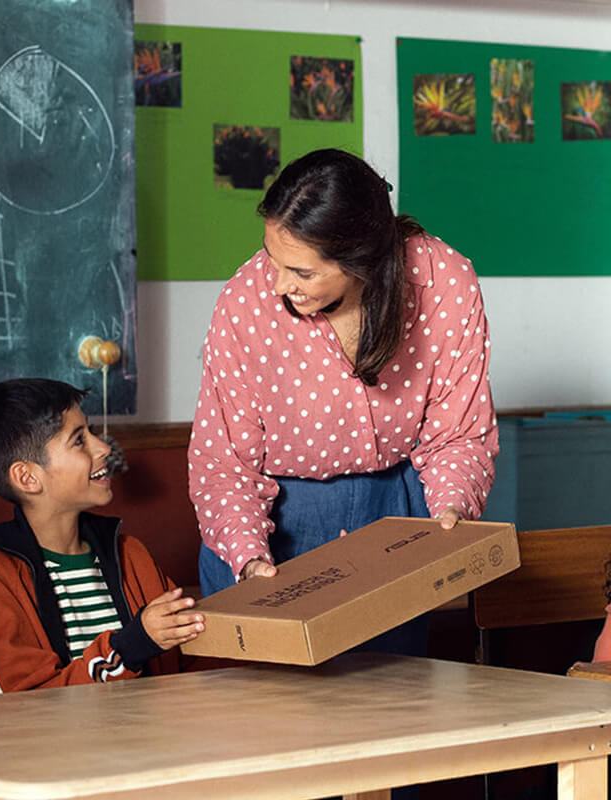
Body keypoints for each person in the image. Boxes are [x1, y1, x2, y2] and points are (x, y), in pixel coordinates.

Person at [189, 148, 498, 658]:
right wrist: (249, 559)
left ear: (361, 262)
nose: (278, 284)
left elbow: (458, 432)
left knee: (385, 700)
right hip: (273, 519)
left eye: (302, 274)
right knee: (261, 716)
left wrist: (449, 511)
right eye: (272, 258)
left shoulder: (442, 280)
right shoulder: (246, 301)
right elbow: (224, 463)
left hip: (391, 517)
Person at [0, 377, 205, 694]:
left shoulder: (131, 554)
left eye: (92, 433)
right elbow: (15, 710)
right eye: (78, 440)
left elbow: (193, 659)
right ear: (28, 478)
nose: (103, 448)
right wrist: (130, 647)